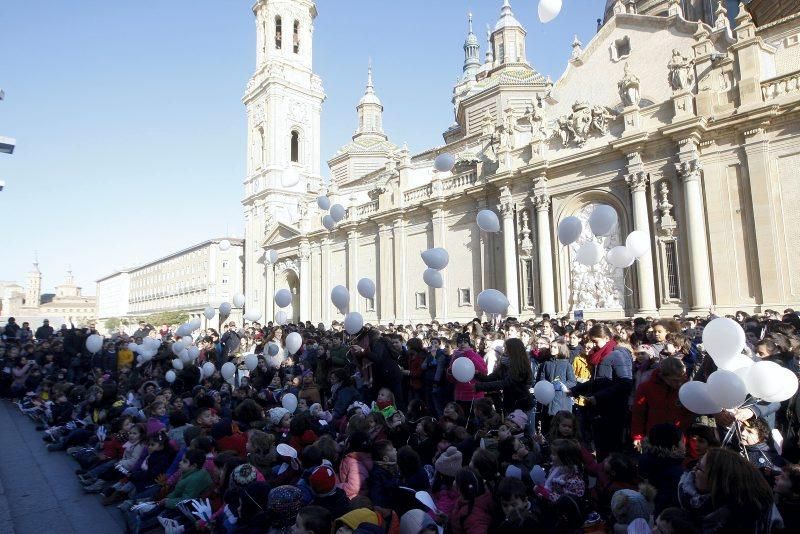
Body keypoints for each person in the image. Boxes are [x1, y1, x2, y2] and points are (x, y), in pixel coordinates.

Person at [571, 324, 633, 459]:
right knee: (601, 449)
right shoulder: (601, 355)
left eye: (595, 341)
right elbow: (599, 381)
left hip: (613, 410)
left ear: (606, 338)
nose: (593, 345)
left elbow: (625, 383)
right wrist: (575, 390)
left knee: (611, 451)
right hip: (599, 409)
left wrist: (598, 397)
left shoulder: (617, 355)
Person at [631, 357, 691, 451]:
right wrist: (637, 436)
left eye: (681, 379)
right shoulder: (646, 388)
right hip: (654, 438)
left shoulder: (686, 388)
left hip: (678, 439)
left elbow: (689, 414)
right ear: (663, 376)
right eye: (674, 380)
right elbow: (638, 414)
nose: (679, 383)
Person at [474, 337, 533, 415]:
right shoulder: (504, 363)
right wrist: (478, 375)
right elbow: (491, 378)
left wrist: (480, 387)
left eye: (506, 348)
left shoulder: (520, 365)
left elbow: (505, 383)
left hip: (521, 404)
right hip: (509, 404)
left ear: (513, 350)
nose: (504, 350)